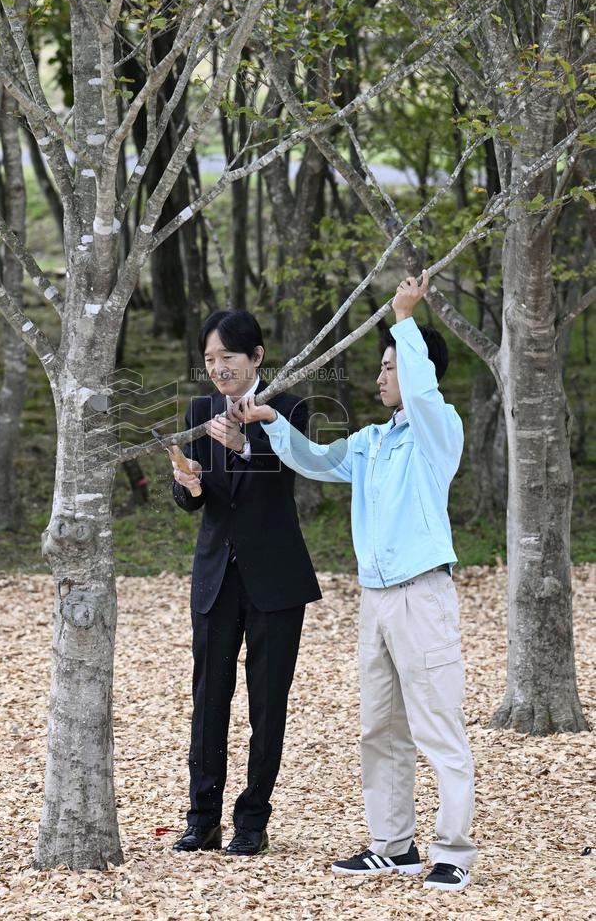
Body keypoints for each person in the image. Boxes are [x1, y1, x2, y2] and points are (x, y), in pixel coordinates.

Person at [230, 272, 477, 891]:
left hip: (422, 596)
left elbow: (420, 393)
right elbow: (315, 461)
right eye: (382, 366)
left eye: (389, 366)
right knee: (380, 727)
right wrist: (269, 423)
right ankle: (394, 846)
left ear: (417, 369)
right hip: (375, 600)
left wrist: (404, 316)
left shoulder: (436, 429)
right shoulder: (371, 442)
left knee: (438, 727)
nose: (380, 376)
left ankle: (454, 851)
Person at [170, 309, 321, 856]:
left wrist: (244, 446)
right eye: (209, 360)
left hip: (275, 577)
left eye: (227, 358)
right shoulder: (200, 409)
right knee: (208, 698)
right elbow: (197, 500)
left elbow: (293, 476)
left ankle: (252, 819)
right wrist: (186, 486)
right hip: (216, 574)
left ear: (256, 357)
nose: (218, 369)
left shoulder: (289, 408)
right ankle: (201, 817)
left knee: (267, 702)